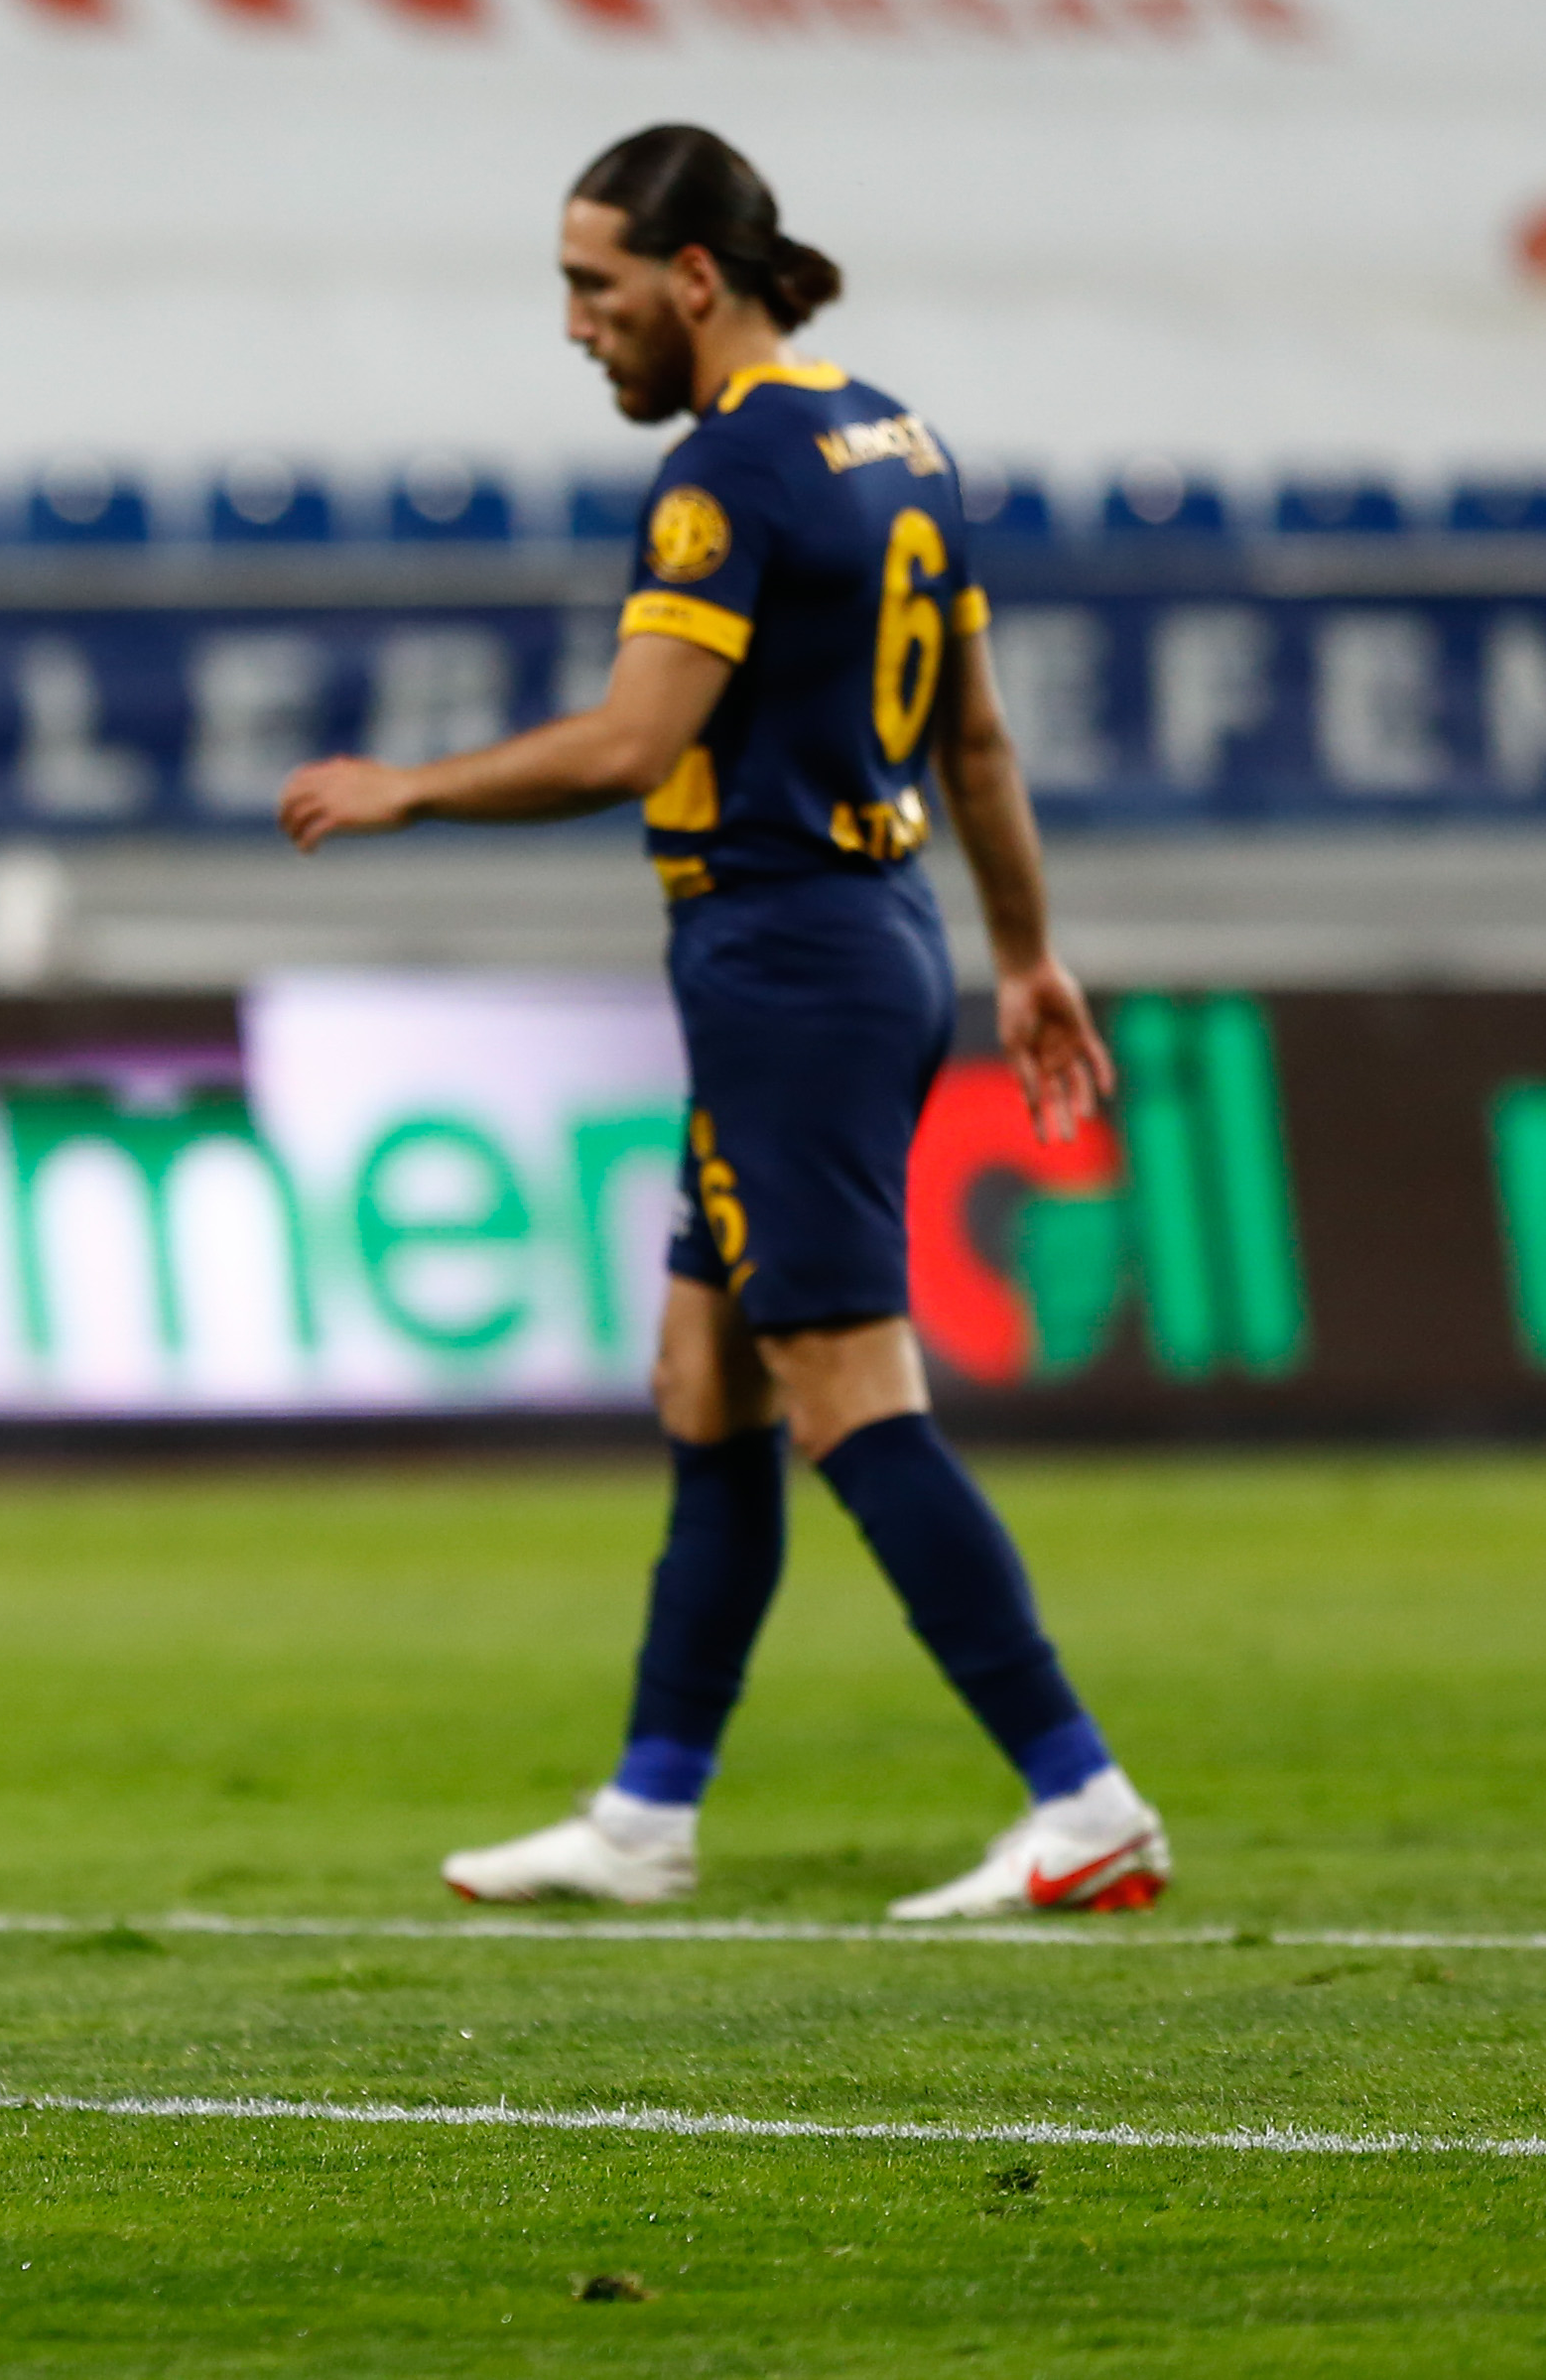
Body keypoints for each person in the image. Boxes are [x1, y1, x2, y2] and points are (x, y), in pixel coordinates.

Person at [275, 125, 1168, 1923]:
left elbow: (632, 741)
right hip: (870, 932)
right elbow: (976, 738)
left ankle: (1083, 1792)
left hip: (790, 959)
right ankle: (648, 1810)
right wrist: (1023, 953)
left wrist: (409, 788)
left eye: (593, 286)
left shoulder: (726, 473)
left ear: (695, 277)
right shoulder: (900, 440)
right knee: (709, 1376)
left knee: (844, 1386)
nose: (575, 324)